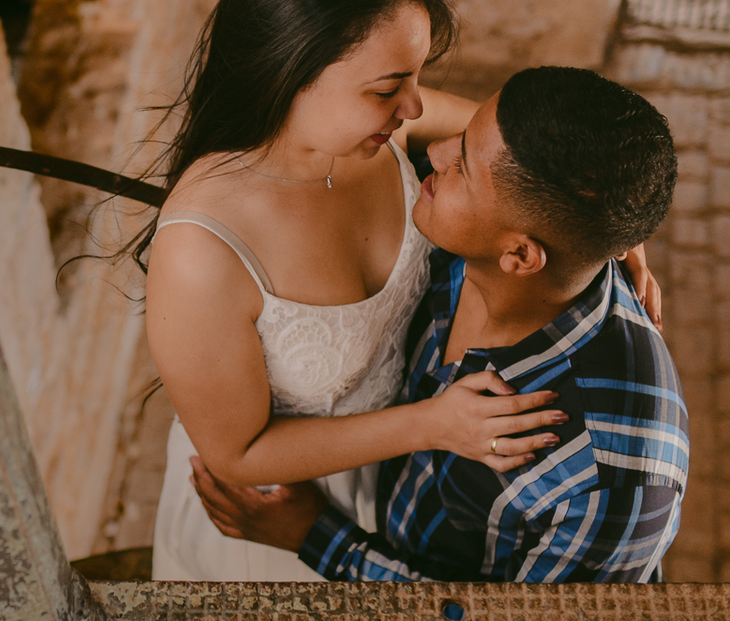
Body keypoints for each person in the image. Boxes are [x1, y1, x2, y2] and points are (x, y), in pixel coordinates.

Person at [143, 0, 660, 582]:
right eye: (389, 88)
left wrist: (610, 230)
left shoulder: (386, 131)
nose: (417, 109)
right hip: (276, 513)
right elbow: (239, 453)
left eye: (416, 76)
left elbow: (526, 168)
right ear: (290, 73)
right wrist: (433, 426)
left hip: (399, 492)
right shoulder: (201, 253)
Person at [190, 66, 685, 583]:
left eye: (464, 166)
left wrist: (316, 536)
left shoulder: (614, 479)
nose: (437, 148)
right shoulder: (485, 241)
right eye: (466, 135)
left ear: (519, 254)